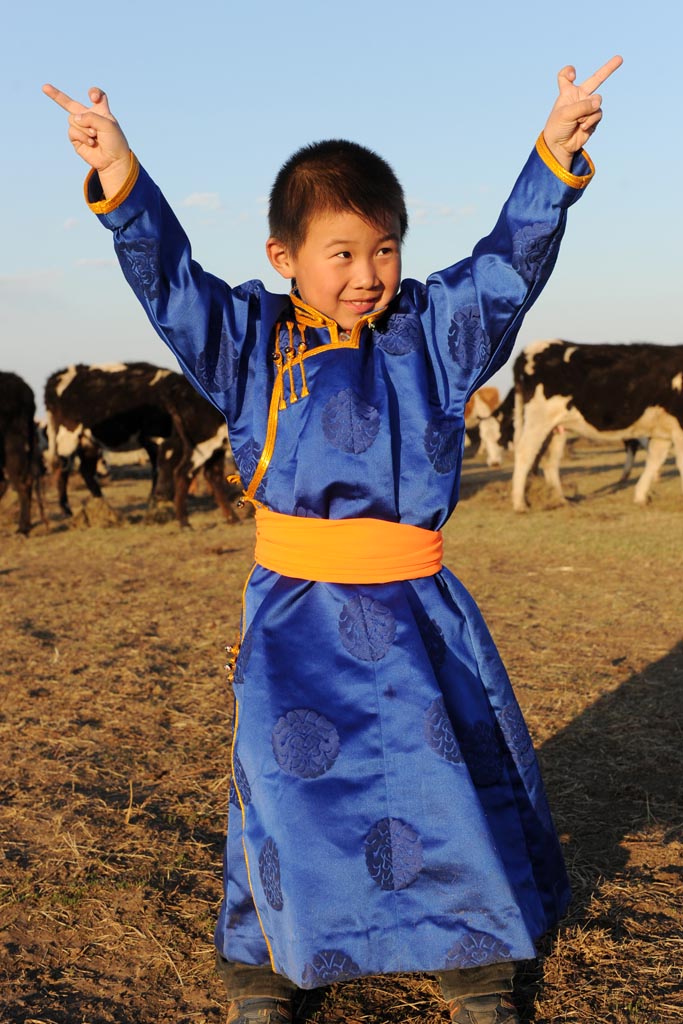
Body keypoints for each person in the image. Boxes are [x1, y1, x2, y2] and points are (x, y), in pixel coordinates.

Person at [44, 55, 622, 1024]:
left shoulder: (434, 335)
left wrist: (551, 158)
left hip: (415, 609)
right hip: (293, 614)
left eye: (384, 249)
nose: (367, 275)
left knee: (438, 776)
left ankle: (473, 956)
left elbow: (503, 265)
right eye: (341, 253)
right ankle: (270, 959)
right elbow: (171, 284)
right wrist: (120, 178)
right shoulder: (248, 342)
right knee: (284, 788)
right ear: (284, 258)